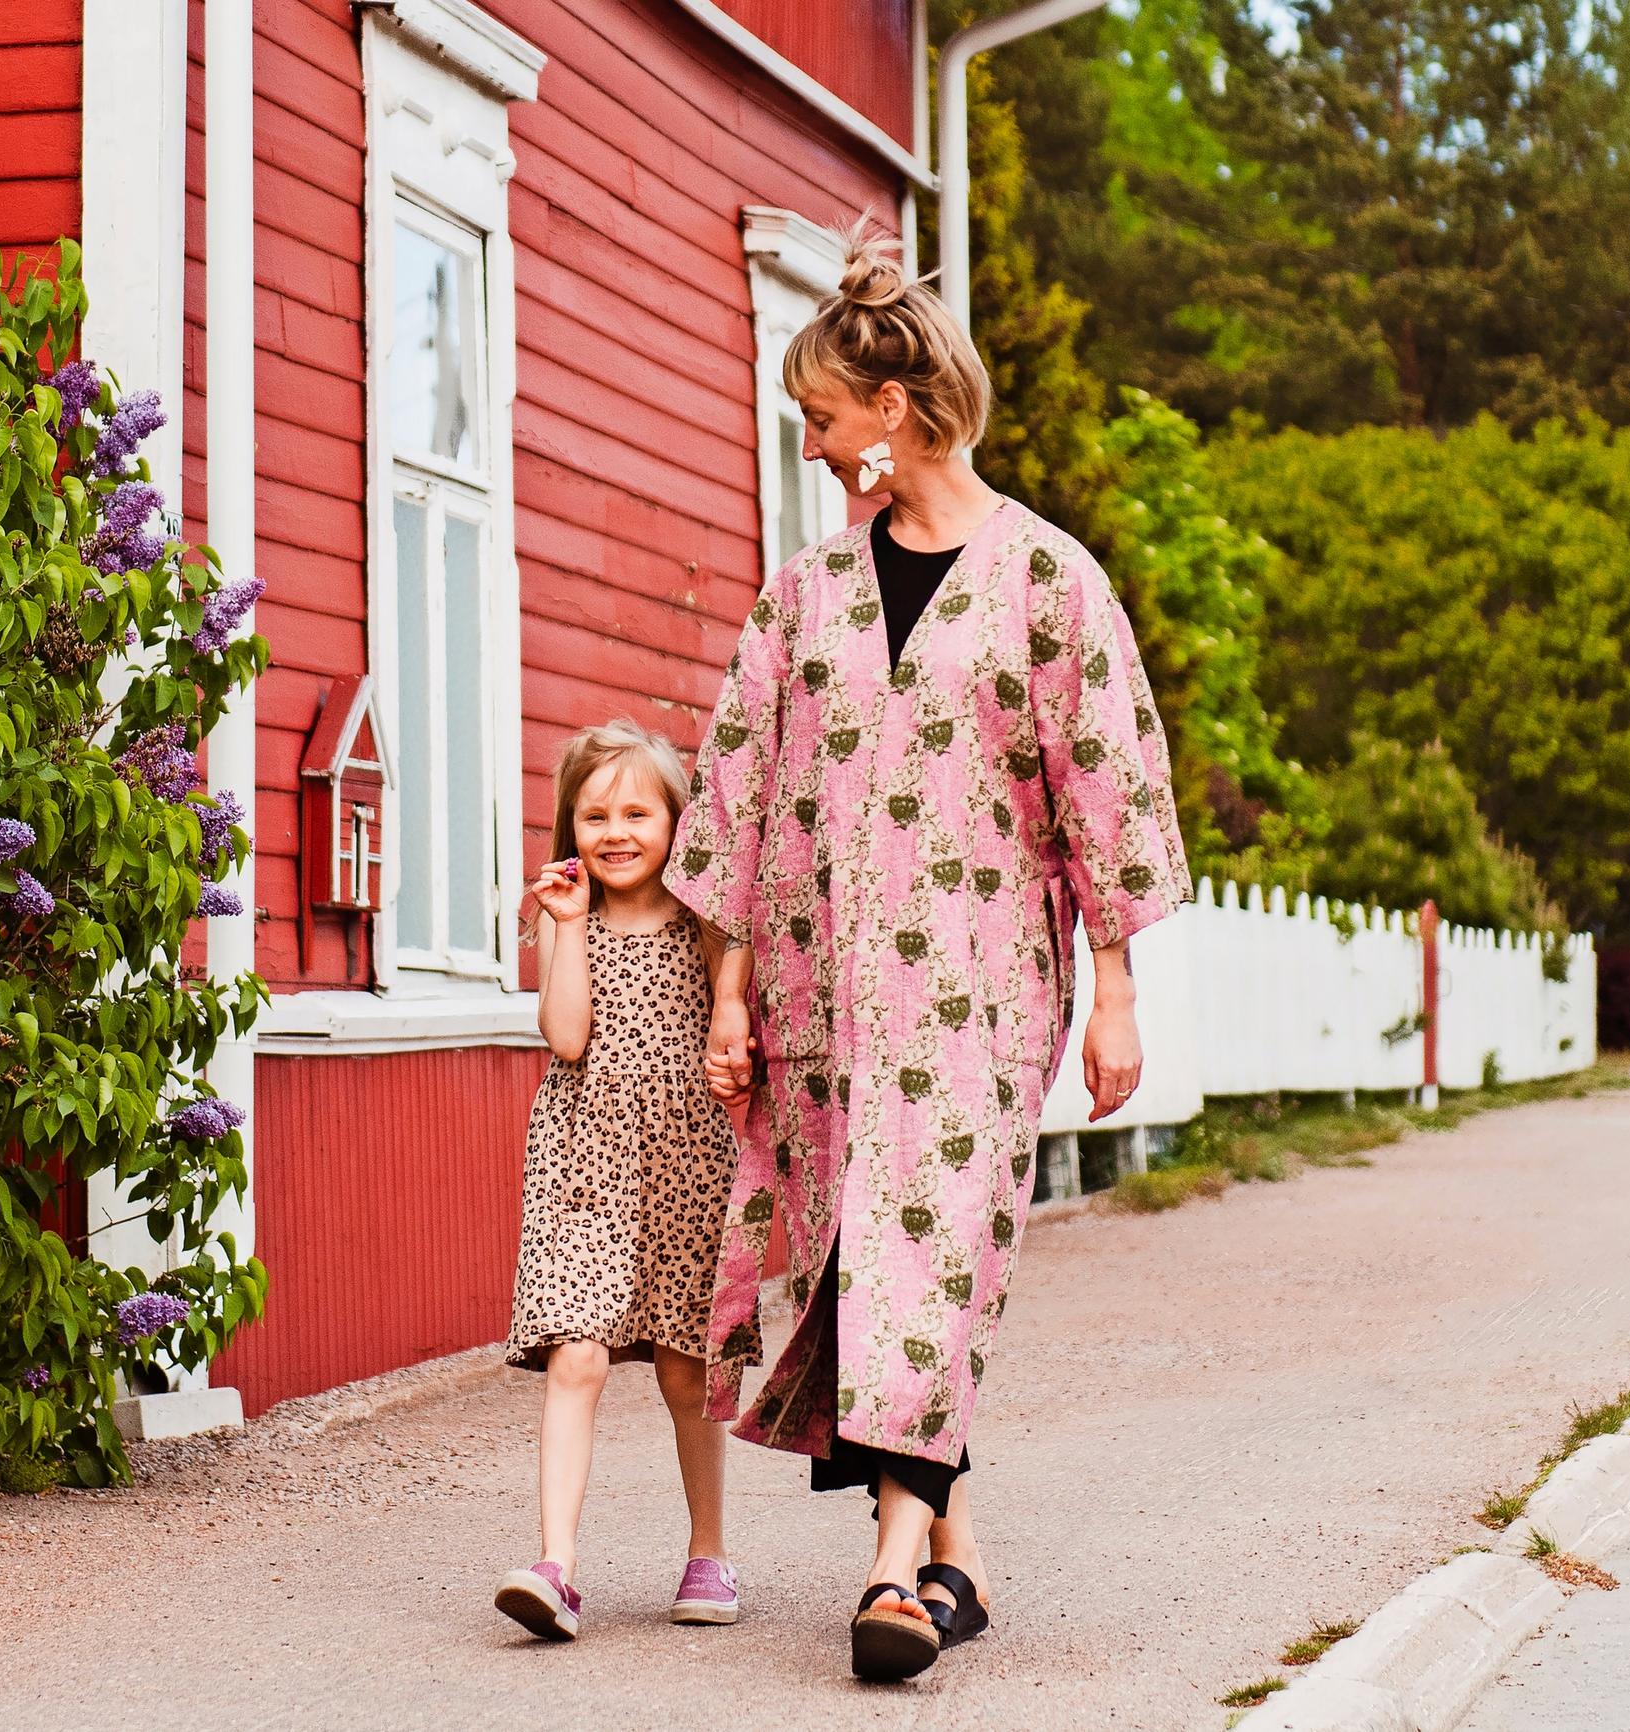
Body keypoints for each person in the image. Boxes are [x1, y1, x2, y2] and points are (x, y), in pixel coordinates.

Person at [669, 226, 1190, 1682]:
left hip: (981, 993)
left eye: (820, 415)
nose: (813, 438)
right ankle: (950, 1559)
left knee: (929, 1250)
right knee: (868, 1264)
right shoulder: (801, 596)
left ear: (888, 411)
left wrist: (1117, 996)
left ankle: (891, 1574)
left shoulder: (1047, 581)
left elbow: (1106, 784)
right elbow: (737, 787)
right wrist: (724, 996)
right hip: (815, 997)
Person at [493, 721, 752, 1642]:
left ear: (676, 822)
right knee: (578, 1354)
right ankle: (556, 1566)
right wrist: (562, 929)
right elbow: (566, 1038)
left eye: (636, 811)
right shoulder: (571, 922)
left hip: (686, 1164)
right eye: (593, 814)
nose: (615, 831)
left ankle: (709, 1550)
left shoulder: (707, 926)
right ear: (569, 827)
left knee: (688, 1373)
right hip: (584, 1166)